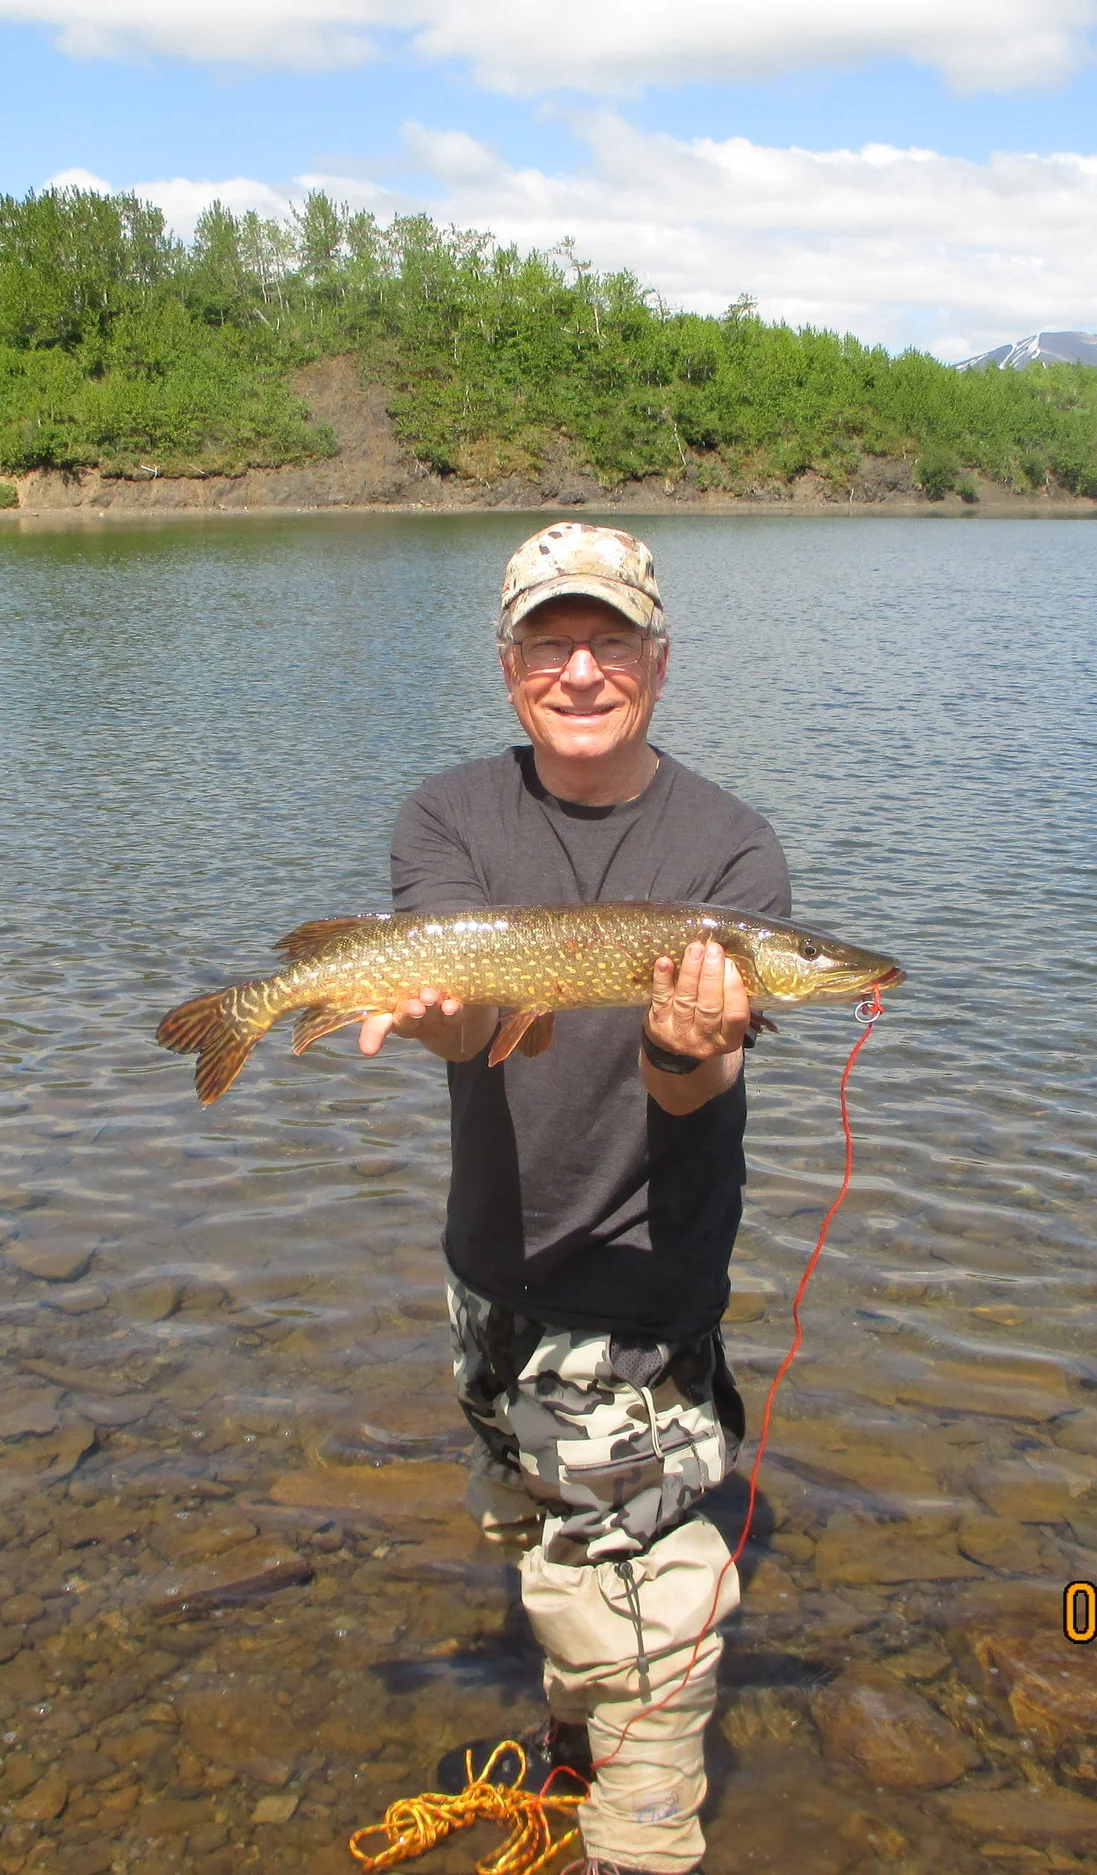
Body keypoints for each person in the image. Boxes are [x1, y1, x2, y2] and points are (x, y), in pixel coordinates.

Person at [355, 521, 788, 1875]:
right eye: (553, 643)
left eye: (610, 642)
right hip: (490, 1268)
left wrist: (684, 1040)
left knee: (651, 1606)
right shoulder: (446, 818)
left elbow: (693, 1088)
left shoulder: (729, 851)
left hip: (640, 1280)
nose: (582, 670)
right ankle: (572, 1752)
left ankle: (638, 1842)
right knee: (540, 1519)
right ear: (509, 667)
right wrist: (432, 1013)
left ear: (660, 660)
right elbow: (475, 1025)